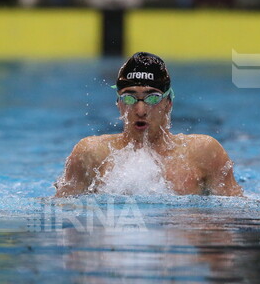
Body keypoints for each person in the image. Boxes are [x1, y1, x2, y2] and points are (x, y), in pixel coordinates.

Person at [54, 52, 244, 197]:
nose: (141, 110)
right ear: (118, 103)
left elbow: (235, 215)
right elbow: (63, 213)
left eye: (152, 98)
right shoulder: (91, 154)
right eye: (129, 97)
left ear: (168, 103)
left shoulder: (204, 153)